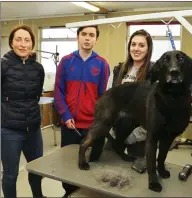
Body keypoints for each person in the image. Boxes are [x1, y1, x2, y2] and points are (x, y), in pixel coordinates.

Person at [54, 25, 110, 198]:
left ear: (96, 39)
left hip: (91, 127)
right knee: (68, 165)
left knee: (91, 165)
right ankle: (69, 194)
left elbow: (103, 98)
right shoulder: (66, 61)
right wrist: (65, 115)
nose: (87, 38)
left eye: (91, 35)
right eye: (84, 34)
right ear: (77, 37)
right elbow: (58, 91)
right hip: (69, 125)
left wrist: (99, 122)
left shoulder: (102, 64)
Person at [1, 25, 45, 198]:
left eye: (27, 40)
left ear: (32, 44)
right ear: (11, 42)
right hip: (9, 130)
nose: (22, 44)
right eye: (18, 39)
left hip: (33, 129)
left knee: (36, 169)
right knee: (11, 174)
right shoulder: (3, 66)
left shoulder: (38, 68)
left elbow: (37, 94)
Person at [105, 29, 154, 161]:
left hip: (138, 139)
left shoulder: (153, 73)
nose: (136, 49)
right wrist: (110, 131)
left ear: (148, 49)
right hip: (114, 135)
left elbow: (155, 111)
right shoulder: (118, 70)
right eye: (133, 44)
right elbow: (108, 101)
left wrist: (133, 137)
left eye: (141, 45)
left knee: (133, 178)